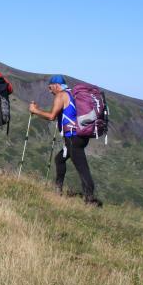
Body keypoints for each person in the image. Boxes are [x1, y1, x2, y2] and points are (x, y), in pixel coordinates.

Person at [29, 75, 102, 206]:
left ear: (56, 85)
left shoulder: (61, 95)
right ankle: (58, 190)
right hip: (80, 136)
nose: (50, 91)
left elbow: (51, 116)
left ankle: (90, 200)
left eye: (50, 87)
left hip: (73, 137)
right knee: (59, 159)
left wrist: (35, 111)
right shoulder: (72, 93)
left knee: (82, 168)